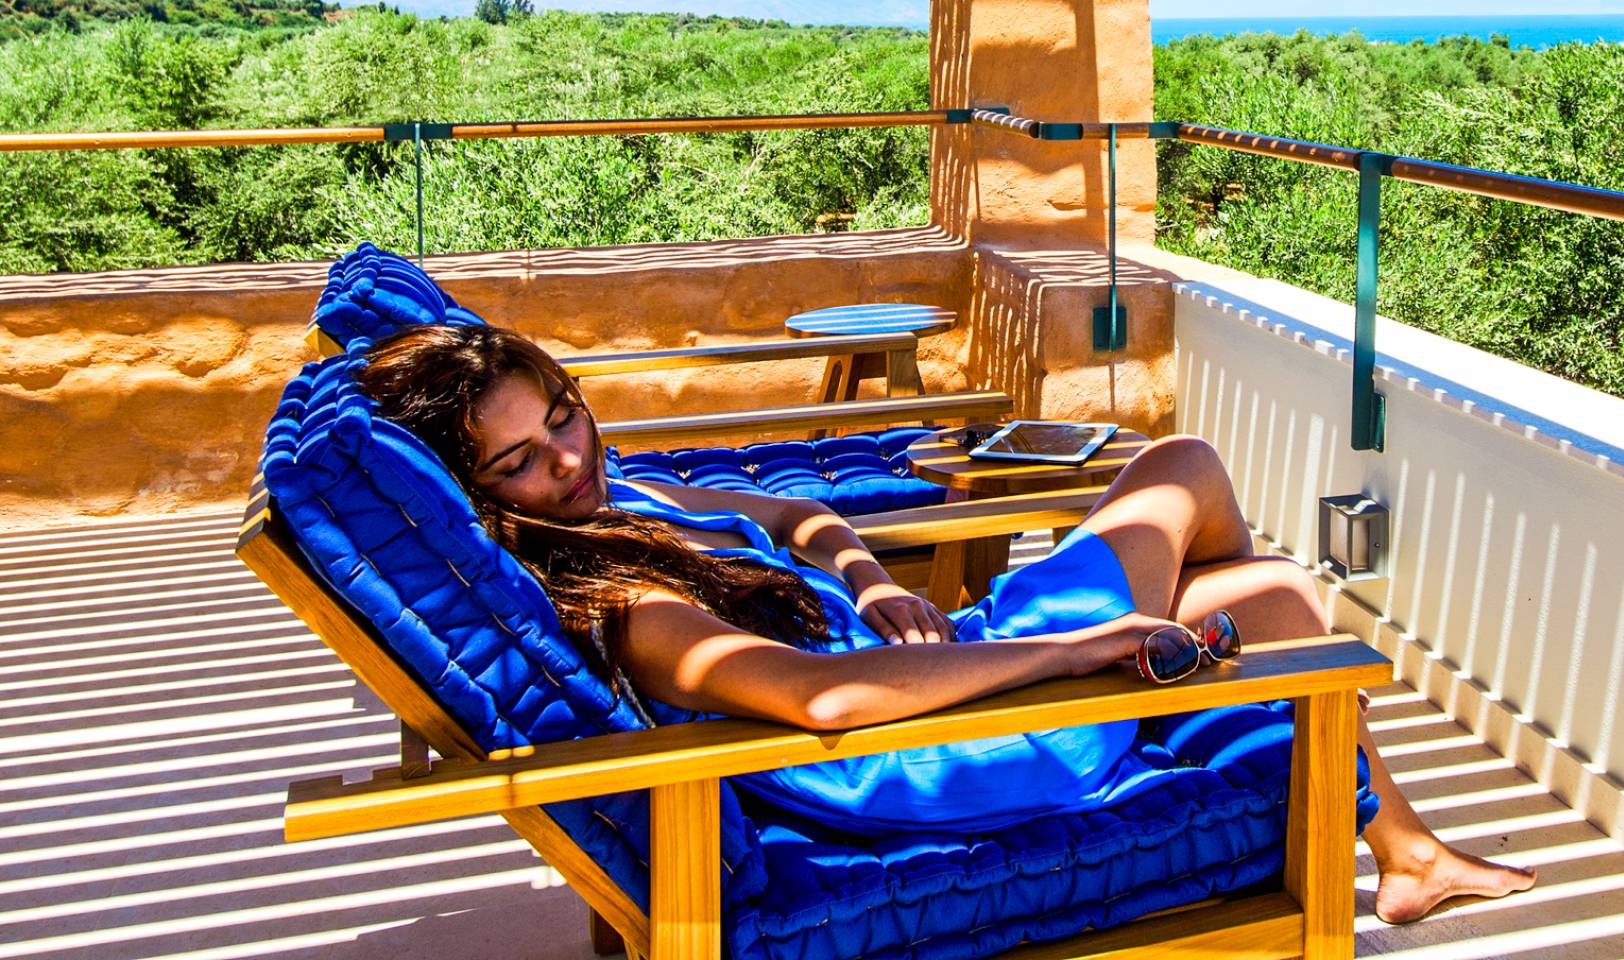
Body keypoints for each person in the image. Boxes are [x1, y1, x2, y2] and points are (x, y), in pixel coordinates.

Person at [360, 324, 1534, 924]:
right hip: (950, 743)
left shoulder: (629, 501)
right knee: (1186, 470)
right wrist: (1079, 649)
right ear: (476, 498)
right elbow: (822, 698)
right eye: (520, 461)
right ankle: (1391, 840)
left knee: (1271, 597)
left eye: (564, 416)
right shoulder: (626, 603)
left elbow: (796, 513)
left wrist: (869, 579)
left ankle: (1406, 856)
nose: (568, 459)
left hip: (927, 656)